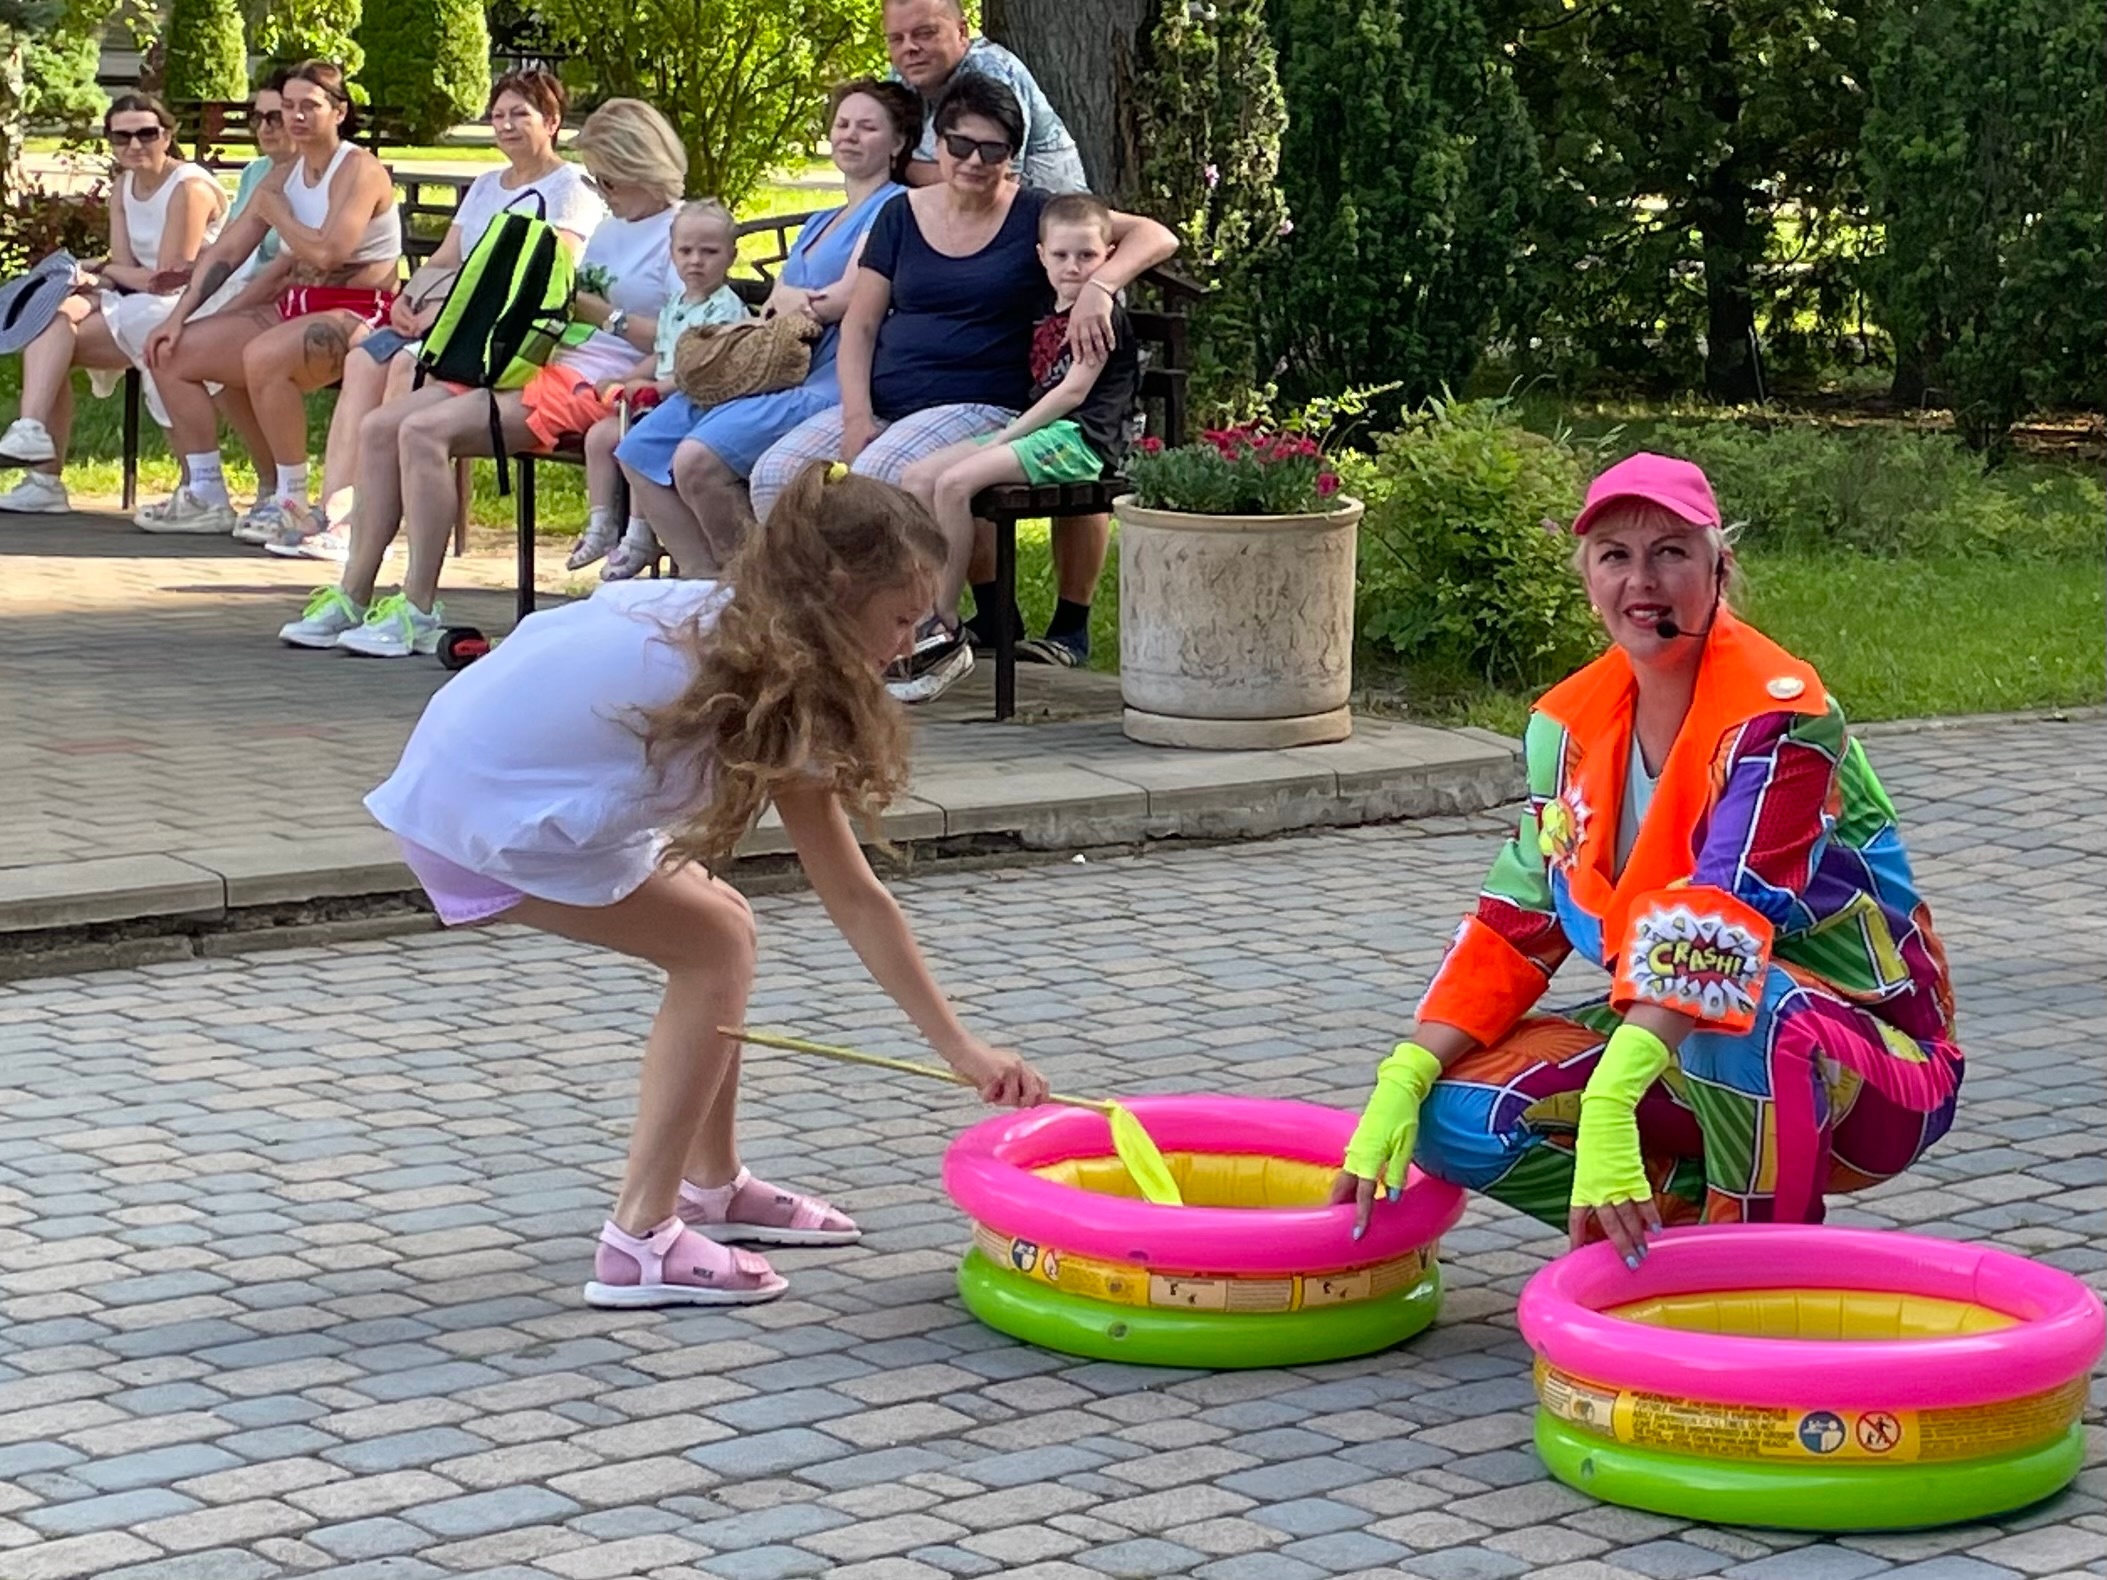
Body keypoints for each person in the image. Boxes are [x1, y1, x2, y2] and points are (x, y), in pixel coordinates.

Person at [363, 461, 1049, 1307]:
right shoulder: (770, 681)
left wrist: (957, 1045)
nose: (908, 646)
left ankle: (712, 1186)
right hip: (477, 815)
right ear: (834, 594)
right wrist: (961, 1050)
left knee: (724, 920)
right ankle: (639, 1239)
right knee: (713, 948)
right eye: (901, 620)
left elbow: (850, 891)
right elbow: (852, 895)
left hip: (471, 783)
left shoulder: (741, 626)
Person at [1333, 453, 1965, 1270]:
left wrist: (1610, 1095)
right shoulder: (1565, 726)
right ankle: (1676, 1248)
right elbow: (1513, 925)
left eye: (1670, 552)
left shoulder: (1785, 717)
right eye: (1614, 556)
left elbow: (1724, 916)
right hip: (1683, 1037)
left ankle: (1756, 1274)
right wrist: (1407, 1072)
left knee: (1733, 1011)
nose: (1642, 581)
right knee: (1456, 1114)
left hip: (1879, 1072)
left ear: (1718, 568)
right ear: (1587, 579)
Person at [749, 78, 1174, 673]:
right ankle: (809, 630)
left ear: (1012, 156)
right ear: (938, 143)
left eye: (992, 149)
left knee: (875, 480)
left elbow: (1155, 234)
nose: (974, 160)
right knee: (774, 476)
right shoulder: (900, 214)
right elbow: (862, 326)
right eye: (960, 144)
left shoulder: (1035, 214)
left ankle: (897, 636)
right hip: (888, 401)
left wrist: (1099, 288)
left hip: (982, 402)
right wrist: (855, 414)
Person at [278, 92, 684, 658]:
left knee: (423, 432)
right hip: (541, 359)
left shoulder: (681, 233)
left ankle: (418, 606)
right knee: (379, 427)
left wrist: (605, 316)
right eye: (597, 179)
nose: (603, 191)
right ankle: (354, 593)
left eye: (609, 179)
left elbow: (687, 335)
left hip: (603, 383)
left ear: (640, 166)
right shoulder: (615, 227)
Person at [273, 67, 609, 563]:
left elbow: (541, 276)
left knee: (406, 364)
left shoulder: (570, 189)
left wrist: (442, 312)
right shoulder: (486, 185)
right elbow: (446, 258)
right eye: (498, 115)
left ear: (552, 122)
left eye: (520, 114)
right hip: (445, 317)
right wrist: (410, 300)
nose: (506, 125)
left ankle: (372, 518)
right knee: (364, 356)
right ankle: (335, 507)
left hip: (503, 335)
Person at [616, 79, 917, 576]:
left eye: (867, 127)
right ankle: (704, 586)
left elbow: (846, 297)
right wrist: (802, 302)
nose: (849, 135)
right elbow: (783, 303)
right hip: (771, 368)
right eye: (842, 124)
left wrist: (800, 302)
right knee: (637, 449)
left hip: (829, 378)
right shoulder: (820, 221)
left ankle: (755, 591)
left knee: (696, 462)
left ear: (898, 142)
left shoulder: (893, 207)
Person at [892, 192, 1139, 701]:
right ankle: (925, 606)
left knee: (956, 483)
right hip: (1036, 431)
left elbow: (1072, 393)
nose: (1073, 267)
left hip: (1080, 439)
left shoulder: (1101, 314)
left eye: (1087, 256)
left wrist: (1006, 437)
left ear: (1108, 257)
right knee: (916, 478)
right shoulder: (1043, 306)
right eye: (1061, 255)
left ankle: (943, 625)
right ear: (1041, 256)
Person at [143, 60, 402, 537]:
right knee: (168, 353)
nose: (295, 117)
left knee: (262, 354)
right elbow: (228, 252)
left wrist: (277, 214)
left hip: (362, 315)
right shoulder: (285, 175)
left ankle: (290, 499)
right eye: (287, 106)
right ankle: (206, 493)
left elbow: (328, 253)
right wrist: (177, 318)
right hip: (296, 307)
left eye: (310, 106)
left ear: (339, 111)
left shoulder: (358, 168)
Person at [0, 94, 227, 515]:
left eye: (146, 134)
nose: (135, 145)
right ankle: (37, 459)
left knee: (58, 340)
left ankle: (201, 489)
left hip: (194, 303)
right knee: (50, 319)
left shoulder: (189, 188)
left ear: (167, 136)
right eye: (122, 137)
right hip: (143, 298)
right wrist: (86, 278)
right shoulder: (124, 185)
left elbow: (169, 276)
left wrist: (102, 268)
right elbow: (127, 268)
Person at [569, 200, 748, 582]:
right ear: (672, 254)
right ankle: (601, 523)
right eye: (686, 251)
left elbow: (702, 369)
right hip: (663, 398)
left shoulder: (724, 311)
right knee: (600, 436)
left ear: (731, 256)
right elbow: (662, 355)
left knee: (638, 441)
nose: (695, 261)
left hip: (698, 402)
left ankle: (639, 532)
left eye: (709, 252)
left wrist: (654, 388)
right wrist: (627, 380)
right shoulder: (676, 306)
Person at [882, 0, 1085, 193]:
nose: (909, 48)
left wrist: (901, 165)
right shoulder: (903, 76)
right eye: (896, 39)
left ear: (962, 32)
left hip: (1049, 212)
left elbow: (993, 179)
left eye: (925, 34)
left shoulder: (990, 71)